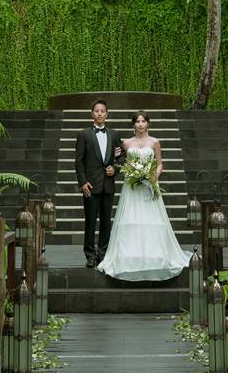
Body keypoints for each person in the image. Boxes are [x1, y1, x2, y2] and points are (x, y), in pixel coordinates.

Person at [98, 111, 192, 281]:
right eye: (137, 121)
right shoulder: (126, 143)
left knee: (152, 219)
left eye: (143, 121)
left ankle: (154, 254)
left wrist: (154, 176)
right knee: (131, 218)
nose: (140, 124)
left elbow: (159, 163)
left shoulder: (154, 142)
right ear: (134, 124)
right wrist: (128, 168)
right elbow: (121, 161)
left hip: (149, 185)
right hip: (132, 186)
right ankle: (129, 255)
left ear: (148, 123)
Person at [74, 99, 123, 268]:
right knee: (90, 221)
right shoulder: (83, 135)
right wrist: (83, 182)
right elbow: (78, 161)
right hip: (90, 186)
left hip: (108, 185)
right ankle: (90, 255)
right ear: (92, 113)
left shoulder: (115, 135)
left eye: (103, 111)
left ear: (107, 114)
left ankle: (103, 254)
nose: (100, 113)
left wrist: (115, 170)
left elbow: (121, 159)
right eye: (97, 111)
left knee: (106, 222)